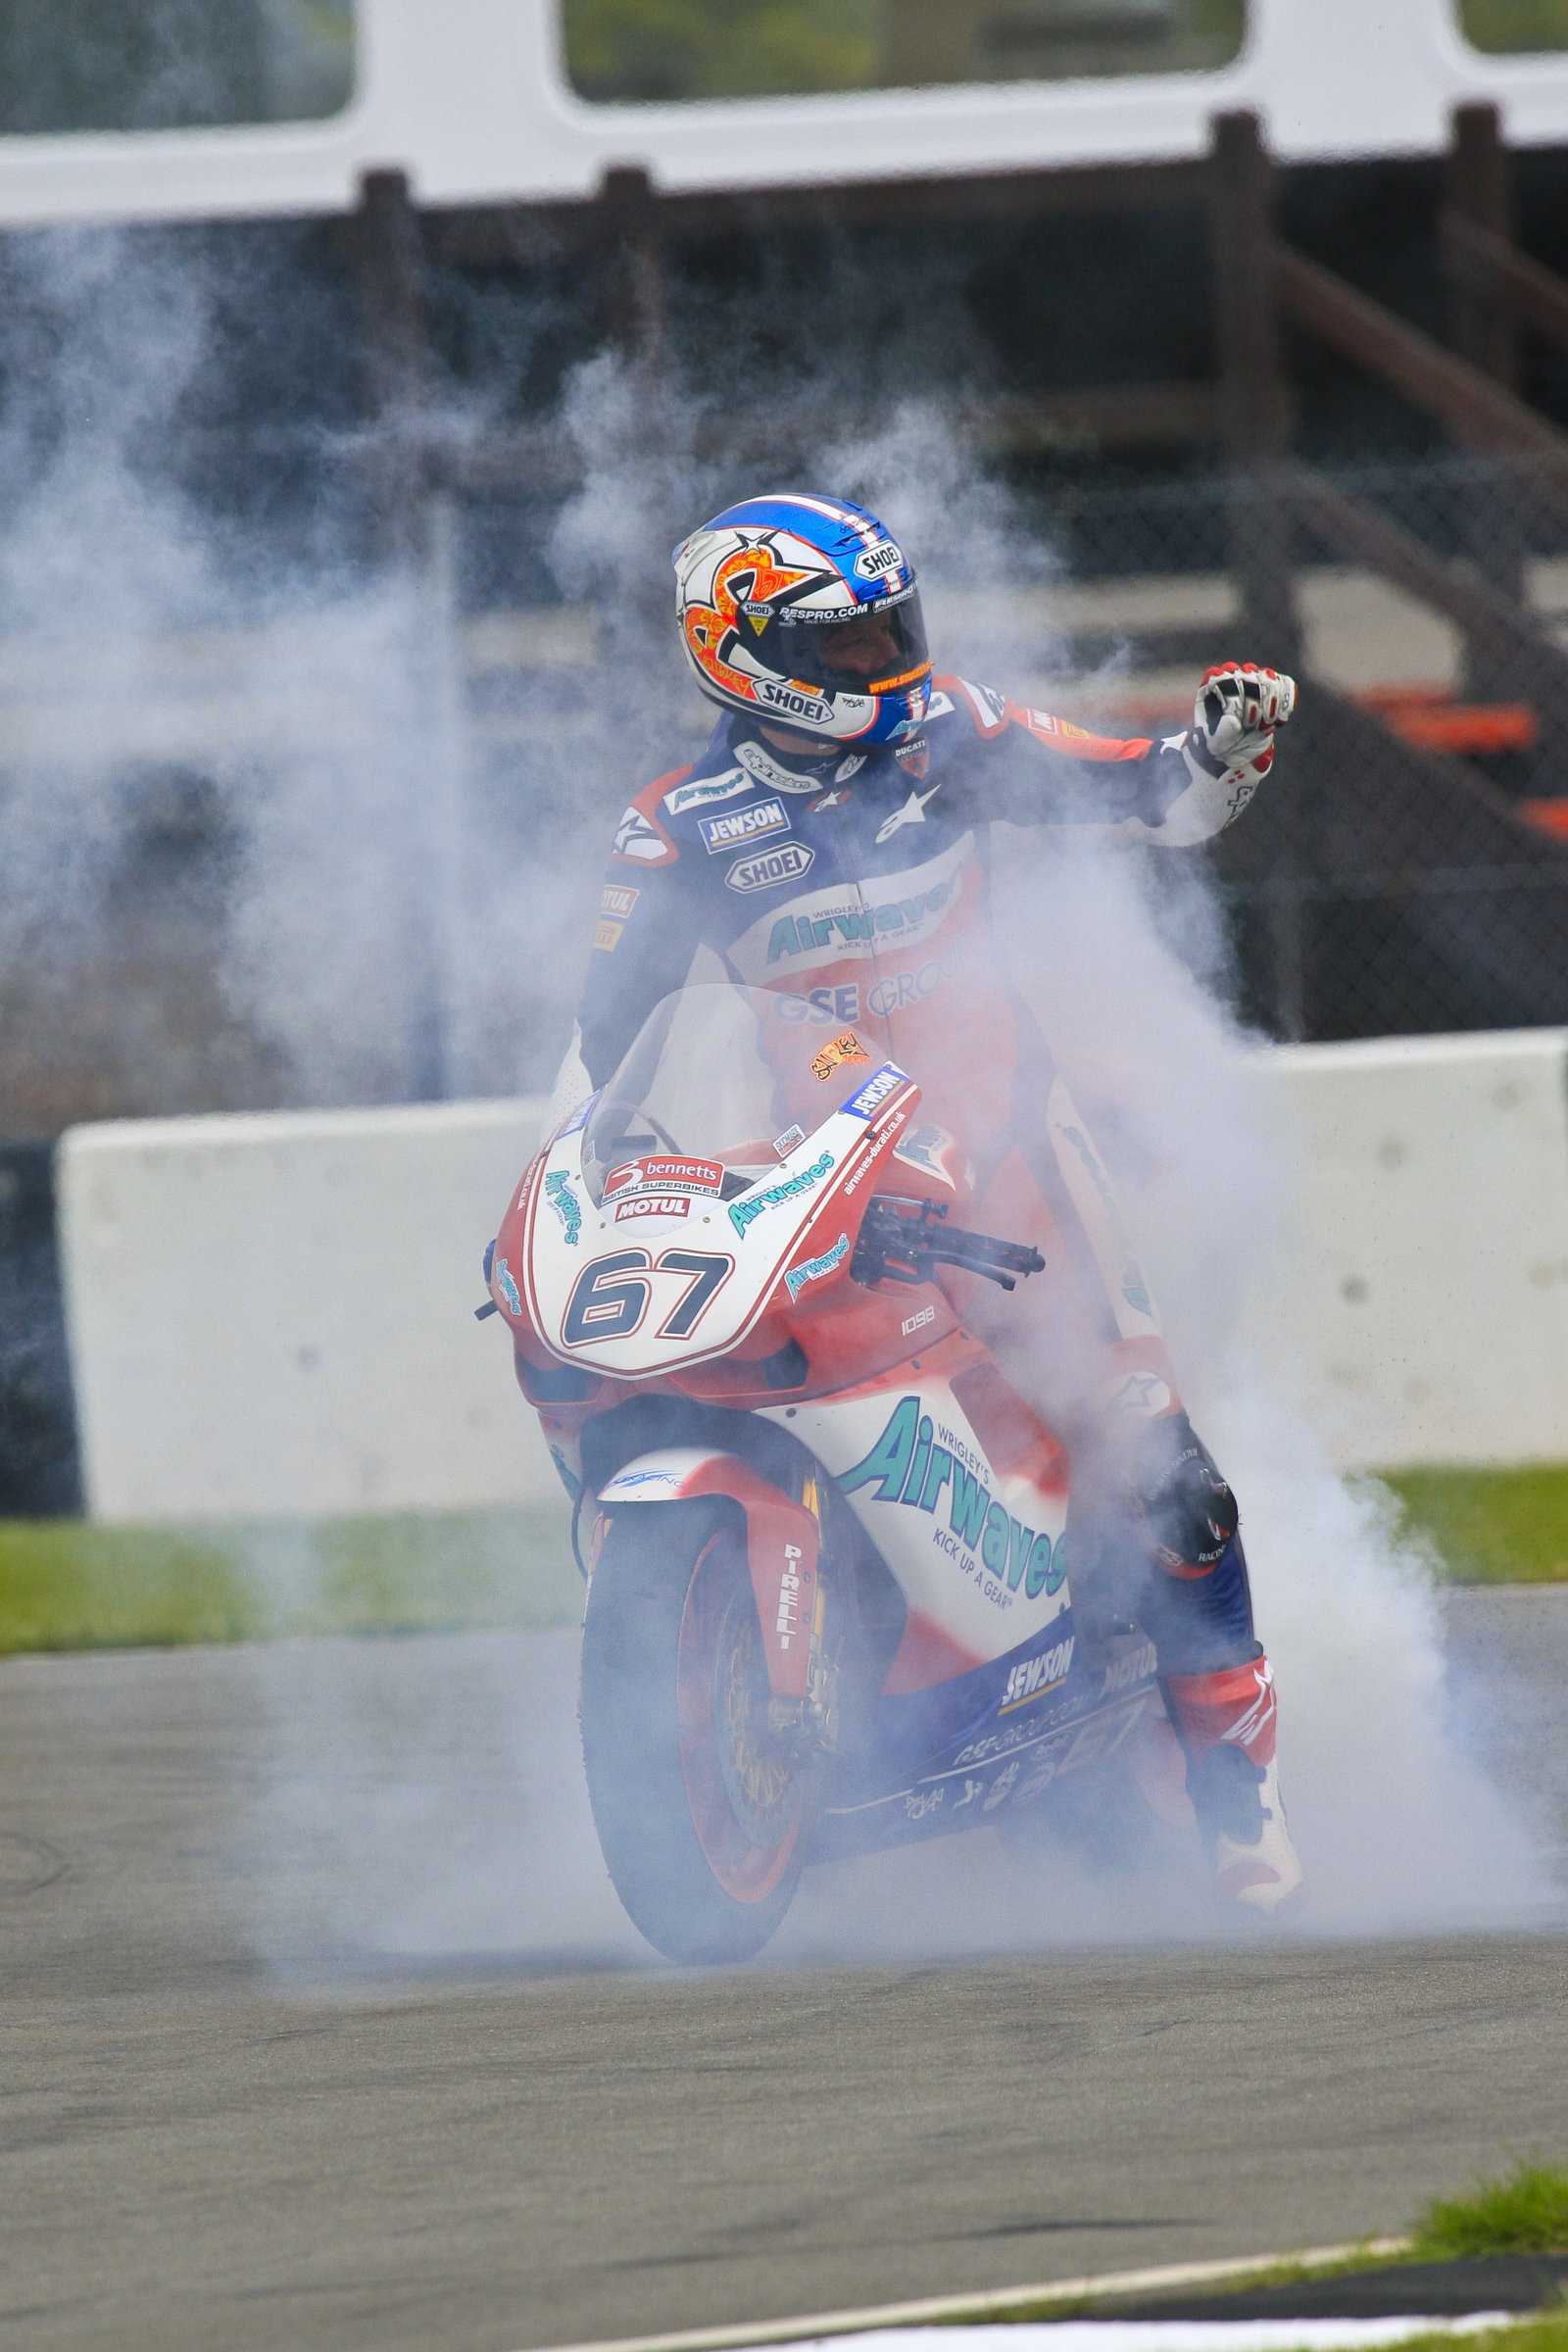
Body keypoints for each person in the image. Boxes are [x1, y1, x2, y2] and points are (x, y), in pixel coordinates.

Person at [556, 490, 1301, 1914]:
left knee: (1165, 1472)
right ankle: (801, 1666)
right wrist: (592, 1187)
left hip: (1010, 1162)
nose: (887, 663)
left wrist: (1221, 752)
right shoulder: (676, 830)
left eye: (891, 628)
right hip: (813, 1176)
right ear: (749, 653)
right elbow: (611, 1052)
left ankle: (1243, 1809)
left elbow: (1154, 794)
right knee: (684, 1376)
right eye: (847, 643)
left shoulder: (948, 736)